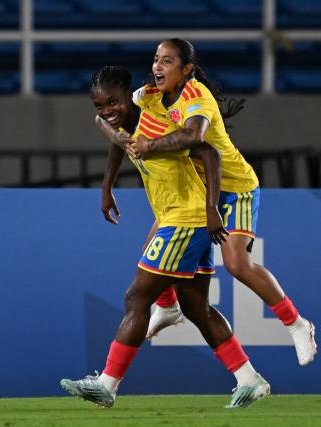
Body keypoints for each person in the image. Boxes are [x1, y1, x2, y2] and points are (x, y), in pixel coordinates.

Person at [60, 66, 270, 409]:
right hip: (181, 218)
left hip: (185, 221)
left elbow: (208, 153)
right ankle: (249, 379)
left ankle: (107, 384)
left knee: (136, 298)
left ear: (129, 95)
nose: (106, 111)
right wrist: (107, 186)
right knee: (196, 307)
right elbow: (117, 139)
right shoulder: (125, 123)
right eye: (99, 105)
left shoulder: (154, 126)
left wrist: (212, 208)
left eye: (112, 102)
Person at [127, 38, 317, 366]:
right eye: (157, 59)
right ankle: (169, 306)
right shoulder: (152, 97)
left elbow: (194, 136)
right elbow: (122, 120)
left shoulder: (195, 95)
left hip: (235, 187)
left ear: (186, 70)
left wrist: (151, 146)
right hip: (197, 193)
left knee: (236, 264)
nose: (158, 66)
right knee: (149, 250)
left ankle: (297, 324)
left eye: (168, 61)